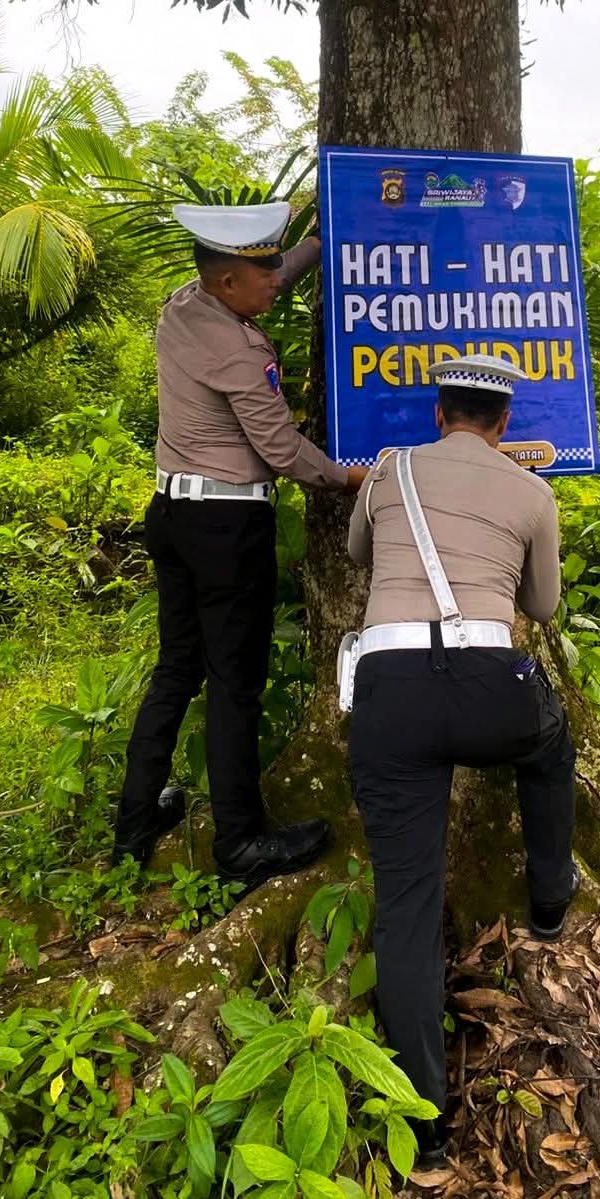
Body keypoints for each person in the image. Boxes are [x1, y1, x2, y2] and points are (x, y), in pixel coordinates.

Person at [346, 354, 578, 1166]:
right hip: (490, 689)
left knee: (405, 906)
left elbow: (354, 554)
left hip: (391, 696)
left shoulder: (389, 471)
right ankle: (549, 901)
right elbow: (541, 606)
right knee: (550, 749)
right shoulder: (533, 492)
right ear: (503, 425)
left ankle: (424, 1130)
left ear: (439, 414)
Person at [112, 201, 367, 888]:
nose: (277, 283)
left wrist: (319, 241)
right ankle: (241, 843)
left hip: (172, 514)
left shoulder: (183, 307)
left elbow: (275, 267)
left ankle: (135, 822)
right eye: (264, 275)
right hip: (226, 529)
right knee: (234, 686)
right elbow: (280, 448)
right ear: (228, 284)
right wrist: (348, 480)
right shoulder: (239, 349)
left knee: (177, 669)